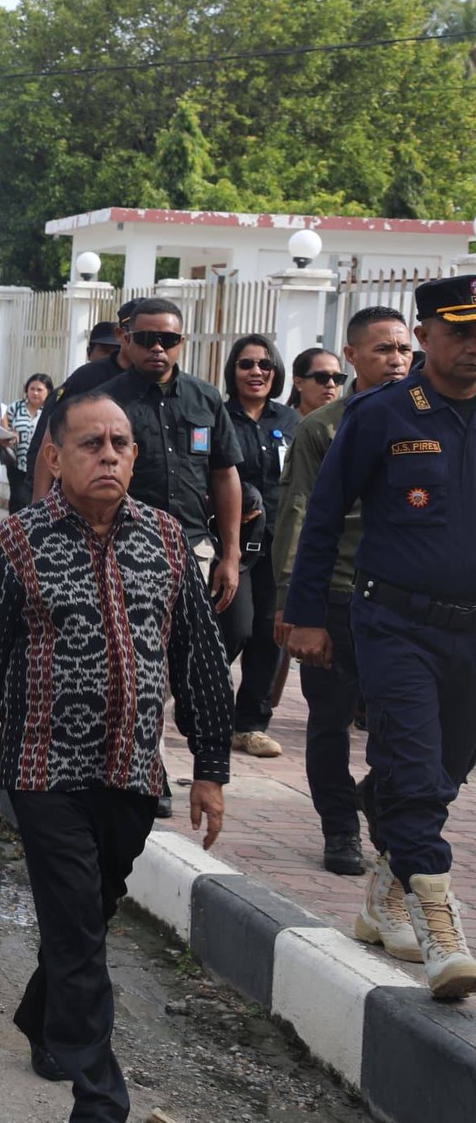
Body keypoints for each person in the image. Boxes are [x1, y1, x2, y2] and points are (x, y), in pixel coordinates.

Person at [0, 391, 232, 1119]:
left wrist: (211, 769)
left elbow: (198, 656)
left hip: (133, 773)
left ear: (136, 453)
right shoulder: (19, 542)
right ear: (54, 456)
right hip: (43, 773)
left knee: (89, 915)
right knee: (77, 927)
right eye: (91, 443)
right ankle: (101, 1097)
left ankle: (44, 1019)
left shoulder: (166, 538)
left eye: (121, 443)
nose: (109, 454)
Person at [285, 277, 476, 1000]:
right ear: (426, 336)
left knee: (448, 767)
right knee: (416, 763)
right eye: (459, 330)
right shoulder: (379, 414)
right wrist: (302, 613)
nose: (472, 346)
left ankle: (386, 886)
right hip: (396, 624)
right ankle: (437, 917)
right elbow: (322, 516)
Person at [271, 307, 412, 885]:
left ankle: (378, 802)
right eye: (383, 350)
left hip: (406, 601)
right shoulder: (322, 427)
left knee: (409, 726)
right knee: (330, 720)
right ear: (351, 356)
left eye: (404, 349)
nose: (397, 361)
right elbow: (300, 512)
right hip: (337, 593)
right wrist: (292, 603)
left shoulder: (433, 422)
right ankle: (340, 825)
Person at [94, 303, 245, 633]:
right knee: (130, 651)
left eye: (168, 338)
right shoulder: (104, 403)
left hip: (194, 547)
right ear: (127, 340)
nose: (158, 347)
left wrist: (231, 556)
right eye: (147, 338)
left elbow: (225, 474)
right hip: (124, 547)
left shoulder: (205, 398)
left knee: (190, 652)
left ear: (182, 341)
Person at [218, 334, 301, 761]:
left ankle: (250, 724)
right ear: (233, 370)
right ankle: (208, 706)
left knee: (272, 633)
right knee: (237, 627)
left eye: (264, 366)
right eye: (246, 364)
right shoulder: (219, 416)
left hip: (280, 543)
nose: (256, 372)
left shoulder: (290, 421)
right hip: (232, 543)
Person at [28, 302, 147, 504]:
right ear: (123, 334)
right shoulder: (88, 377)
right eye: (139, 335)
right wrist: (38, 505)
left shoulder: (162, 383)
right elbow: (50, 438)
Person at [3, 373, 53, 506]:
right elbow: (4, 426)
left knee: (36, 498)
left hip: (41, 463)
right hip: (17, 463)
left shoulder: (51, 411)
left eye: (39, 390)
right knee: (18, 497)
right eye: (32, 389)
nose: (35, 393)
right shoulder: (16, 407)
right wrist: (10, 433)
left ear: (48, 392)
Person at [287, 347, 345, 416]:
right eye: (322, 377)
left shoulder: (350, 423)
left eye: (337, 378)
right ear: (298, 382)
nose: (331, 384)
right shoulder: (282, 424)